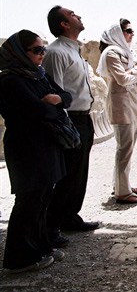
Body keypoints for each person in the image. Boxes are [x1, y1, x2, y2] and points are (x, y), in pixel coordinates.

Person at [0, 31, 70, 273]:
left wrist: (56, 102)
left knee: (43, 198)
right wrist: (55, 106)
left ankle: (40, 246)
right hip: (26, 147)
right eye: (37, 50)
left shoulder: (38, 75)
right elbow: (37, 111)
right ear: (20, 52)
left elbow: (66, 97)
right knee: (28, 200)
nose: (42, 55)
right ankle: (20, 258)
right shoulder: (11, 80)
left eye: (44, 50)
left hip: (45, 144)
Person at [44, 6, 99, 239]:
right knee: (67, 176)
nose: (78, 16)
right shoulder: (56, 52)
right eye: (72, 15)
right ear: (64, 24)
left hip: (84, 118)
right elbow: (53, 90)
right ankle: (51, 227)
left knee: (79, 172)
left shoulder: (74, 50)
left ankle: (70, 217)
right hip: (71, 120)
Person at [97, 19, 137, 204]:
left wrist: (132, 70)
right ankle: (122, 192)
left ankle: (122, 185)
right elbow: (121, 79)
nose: (132, 33)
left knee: (128, 148)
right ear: (118, 34)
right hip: (122, 105)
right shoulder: (112, 52)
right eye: (128, 30)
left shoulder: (128, 50)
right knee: (124, 149)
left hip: (133, 103)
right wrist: (135, 72)